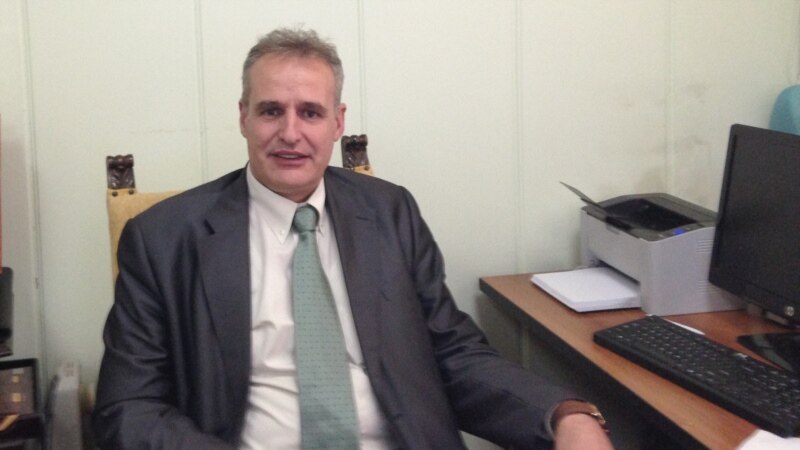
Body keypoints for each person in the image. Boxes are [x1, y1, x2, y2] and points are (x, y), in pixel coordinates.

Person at [92, 27, 614, 450]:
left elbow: (452, 353)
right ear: (243, 117)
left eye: (310, 112)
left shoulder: (389, 213)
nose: (290, 133)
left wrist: (563, 414)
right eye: (271, 110)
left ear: (338, 122)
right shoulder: (163, 239)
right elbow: (128, 408)